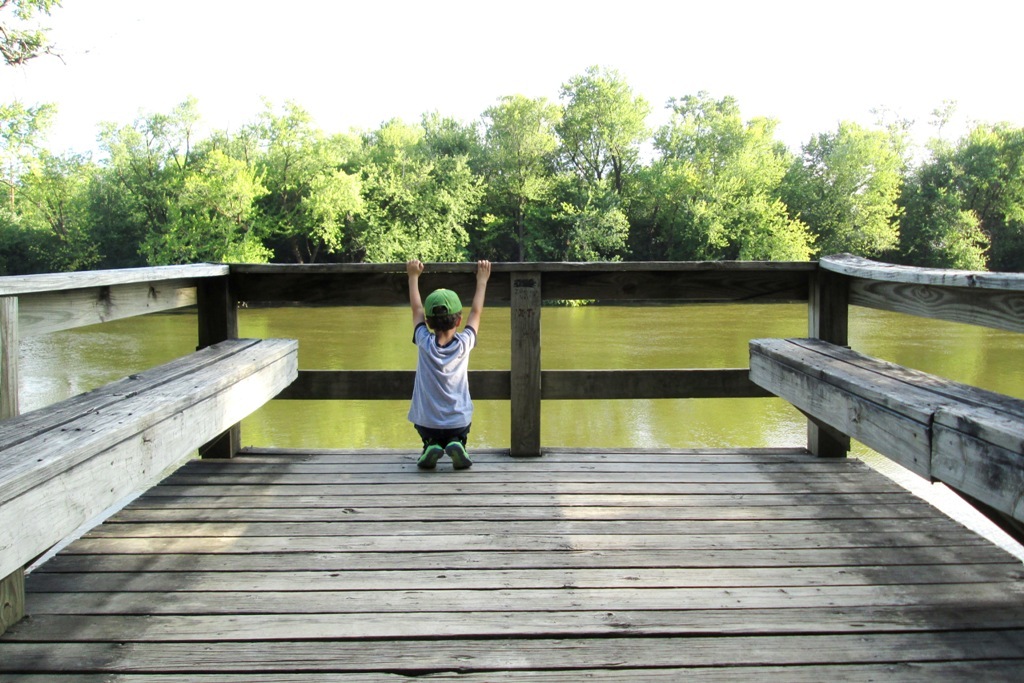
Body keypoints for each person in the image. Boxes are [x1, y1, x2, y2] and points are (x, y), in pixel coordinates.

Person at [406, 259, 492, 470]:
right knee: (458, 428)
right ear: (459, 321)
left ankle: (431, 444)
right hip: (458, 421)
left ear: (428, 322)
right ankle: (457, 441)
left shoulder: (424, 341)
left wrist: (413, 276)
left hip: (428, 422)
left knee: (427, 428)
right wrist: (482, 280)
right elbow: (476, 312)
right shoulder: (464, 343)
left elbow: (416, 309)